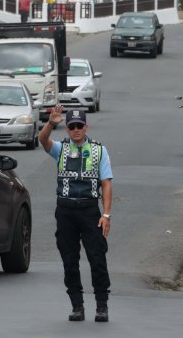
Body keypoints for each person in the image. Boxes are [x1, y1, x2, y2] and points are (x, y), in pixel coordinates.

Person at [38, 105, 113, 323]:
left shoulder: (100, 151)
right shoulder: (60, 149)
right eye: (72, 127)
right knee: (69, 260)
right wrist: (51, 123)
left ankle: (101, 305)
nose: (76, 130)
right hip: (66, 211)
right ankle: (77, 305)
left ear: (86, 127)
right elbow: (43, 140)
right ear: (67, 129)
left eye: (80, 126)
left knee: (97, 257)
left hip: (90, 211)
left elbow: (106, 184)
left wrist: (106, 215)